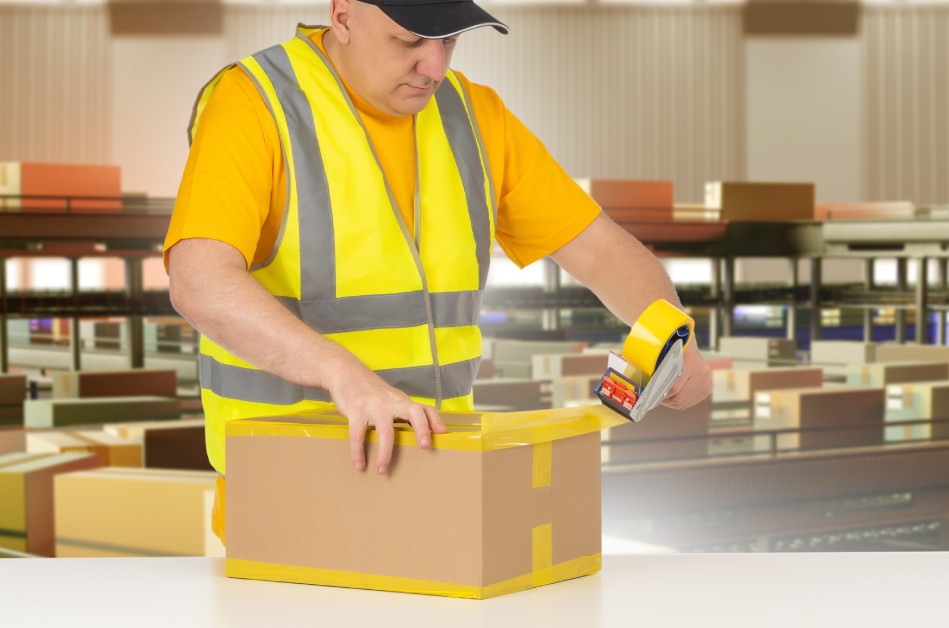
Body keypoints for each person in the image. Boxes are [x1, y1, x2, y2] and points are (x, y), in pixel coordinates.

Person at [164, 0, 713, 489]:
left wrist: (670, 330)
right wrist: (344, 374)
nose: (435, 67)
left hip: (434, 477)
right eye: (408, 41)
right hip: (288, 485)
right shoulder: (255, 102)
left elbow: (596, 248)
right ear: (342, 15)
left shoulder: (473, 116)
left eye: (448, 40)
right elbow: (200, 280)